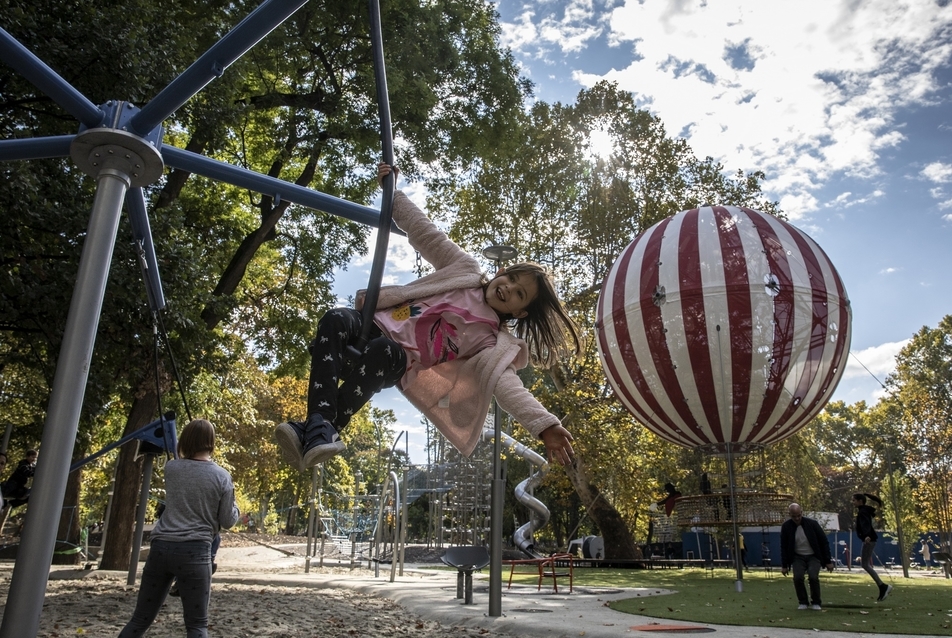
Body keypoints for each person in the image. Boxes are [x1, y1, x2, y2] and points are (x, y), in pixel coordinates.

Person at [276, 162, 582, 471]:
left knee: (385, 351)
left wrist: (543, 425)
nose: (509, 288)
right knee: (336, 318)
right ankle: (319, 427)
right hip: (370, 325)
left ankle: (323, 427)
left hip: (394, 359)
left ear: (520, 312)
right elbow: (427, 234)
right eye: (512, 279)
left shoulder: (492, 343)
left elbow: (507, 387)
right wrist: (392, 193)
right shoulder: (464, 270)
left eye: (519, 294)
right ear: (501, 271)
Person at [118, 419, 239, 638]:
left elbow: (182, 462)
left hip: (161, 548)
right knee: (197, 626)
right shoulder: (222, 476)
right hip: (195, 551)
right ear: (211, 442)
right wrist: (236, 509)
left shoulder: (172, 468)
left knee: (140, 619)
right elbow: (227, 520)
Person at [780, 503, 834, 611]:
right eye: (794, 516)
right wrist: (784, 565)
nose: (797, 518)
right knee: (798, 577)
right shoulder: (786, 527)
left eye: (798, 515)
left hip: (813, 556)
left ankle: (816, 602)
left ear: (801, 513)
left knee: (813, 577)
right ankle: (803, 601)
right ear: (789, 514)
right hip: (797, 556)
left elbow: (824, 542)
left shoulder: (812, 524)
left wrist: (828, 561)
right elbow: (784, 546)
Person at [853, 492, 892, 601]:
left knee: (865, 564)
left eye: (854, 500)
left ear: (860, 501)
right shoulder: (864, 510)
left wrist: (867, 536)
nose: (853, 502)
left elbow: (866, 524)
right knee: (865, 564)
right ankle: (882, 586)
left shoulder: (863, 512)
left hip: (869, 539)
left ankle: (883, 586)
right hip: (869, 539)